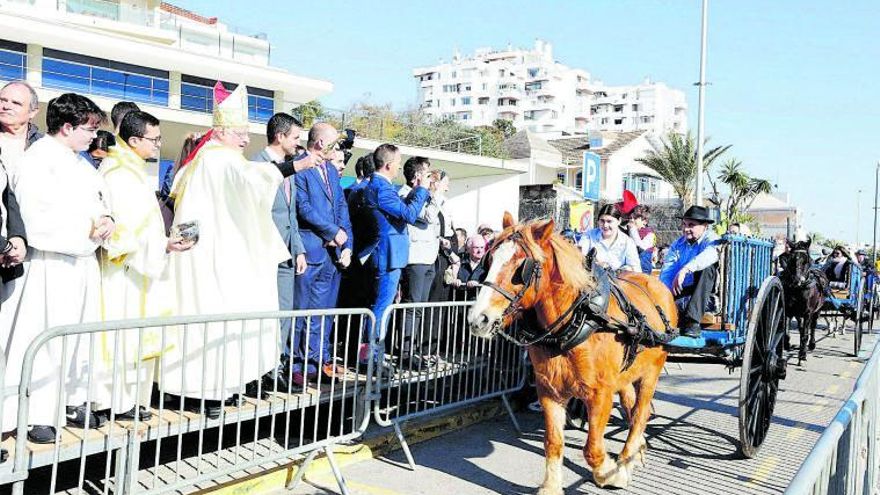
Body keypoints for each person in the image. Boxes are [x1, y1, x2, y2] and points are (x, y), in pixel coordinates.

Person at [163, 83, 296, 418]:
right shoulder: (218, 160)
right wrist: (293, 166)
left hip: (213, 252)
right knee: (210, 319)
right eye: (239, 133)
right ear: (221, 132)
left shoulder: (210, 160)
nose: (245, 140)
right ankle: (203, 391)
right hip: (211, 257)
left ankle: (221, 387)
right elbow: (253, 183)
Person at [4, 93, 114, 443]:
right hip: (50, 264)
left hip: (80, 263)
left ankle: (70, 399)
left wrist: (107, 219)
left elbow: (100, 200)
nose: (92, 138)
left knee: (77, 339)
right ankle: (35, 411)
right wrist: (86, 229)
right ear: (67, 127)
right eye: (89, 129)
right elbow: (36, 216)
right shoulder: (37, 160)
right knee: (43, 342)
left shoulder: (80, 162)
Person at [95, 110, 194, 421]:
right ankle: (117, 403)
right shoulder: (119, 173)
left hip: (140, 267)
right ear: (134, 139)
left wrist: (163, 242)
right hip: (124, 272)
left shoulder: (133, 168)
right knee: (122, 338)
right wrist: (161, 245)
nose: (158, 145)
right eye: (154, 139)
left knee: (137, 338)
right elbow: (125, 232)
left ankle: (131, 401)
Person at [253, 113, 319, 389]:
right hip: (265, 250)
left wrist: (299, 249)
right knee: (264, 313)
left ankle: (274, 367)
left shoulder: (289, 167)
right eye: (295, 137)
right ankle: (258, 371)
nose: (298, 143)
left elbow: (290, 213)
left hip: (287, 251)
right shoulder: (257, 166)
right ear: (280, 137)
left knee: (283, 312)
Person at [358, 143, 431, 366]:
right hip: (387, 255)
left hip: (389, 254)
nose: (400, 168)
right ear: (389, 165)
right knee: (381, 308)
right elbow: (409, 214)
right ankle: (373, 357)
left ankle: (369, 355)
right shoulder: (381, 188)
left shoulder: (381, 187)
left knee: (378, 306)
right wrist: (421, 189)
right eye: (398, 164)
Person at [292, 122, 352, 384]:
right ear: (319, 144)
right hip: (309, 250)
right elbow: (303, 207)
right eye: (333, 144)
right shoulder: (299, 167)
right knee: (299, 312)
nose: (337, 149)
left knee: (319, 314)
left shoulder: (330, 169)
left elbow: (341, 207)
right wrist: (331, 232)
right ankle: (293, 364)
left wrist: (344, 242)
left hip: (330, 255)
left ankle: (313, 362)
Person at [659, 206, 722, 338]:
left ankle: (693, 321)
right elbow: (667, 272)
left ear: (704, 226)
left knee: (707, 267)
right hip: (682, 288)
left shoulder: (712, 239)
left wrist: (686, 269)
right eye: (684, 224)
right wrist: (662, 295)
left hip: (704, 289)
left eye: (691, 225)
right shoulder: (677, 244)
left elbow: (711, 255)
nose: (686, 229)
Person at [578, 203, 641, 272]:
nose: (605, 225)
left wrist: (618, 270)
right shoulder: (588, 236)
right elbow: (579, 257)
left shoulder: (628, 242)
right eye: (602, 221)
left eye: (609, 221)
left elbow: (636, 269)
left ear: (619, 221)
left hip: (617, 280)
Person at [451, 235, 488, 300]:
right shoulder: (460, 262)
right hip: (460, 305)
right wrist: (456, 280)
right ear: (468, 249)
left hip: (478, 304)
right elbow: (451, 278)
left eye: (482, 247)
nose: (480, 251)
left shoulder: (488, 264)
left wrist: (478, 283)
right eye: (476, 247)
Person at [628, 204, 656, 274]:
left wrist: (632, 229)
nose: (632, 220)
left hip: (643, 269)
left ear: (645, 221)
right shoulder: (632, 231)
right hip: (632, 267)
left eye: (635, 218)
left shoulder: (650, 234)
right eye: (631, 217)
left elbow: (640, 246)